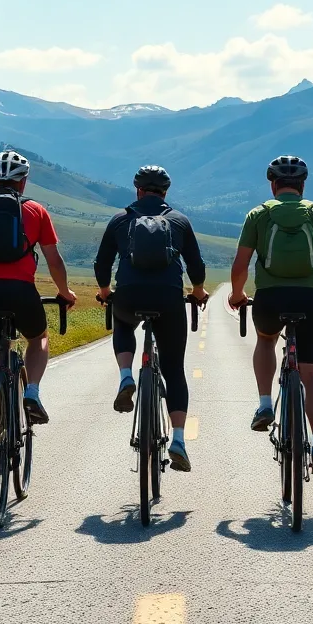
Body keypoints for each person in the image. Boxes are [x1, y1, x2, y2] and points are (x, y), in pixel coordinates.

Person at [228, 155, 313, 475]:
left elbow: (240, 265)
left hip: (270, 299)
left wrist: (237, 295)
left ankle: (265, 404)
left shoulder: (257, 215)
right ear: (303, 185)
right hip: (310, 300)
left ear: (273, 184)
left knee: (266, 340)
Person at [0, 150, 77, 465]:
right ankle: (32, 392)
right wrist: (65, 293)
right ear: (23, 182)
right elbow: (53, 260)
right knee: (38, 338)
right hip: (21, 293)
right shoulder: (36, 211)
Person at [94, 165, 208, 472]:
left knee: (123, 323)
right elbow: (196, 265)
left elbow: (102, 262)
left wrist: (106, 291)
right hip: (169, 298)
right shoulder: (179, 221)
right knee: (173, 368)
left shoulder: (120, 219)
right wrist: (197, 291)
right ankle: (180, 440)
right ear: (165, 193)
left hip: (129, 295)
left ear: (138, 191)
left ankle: (126, 377)